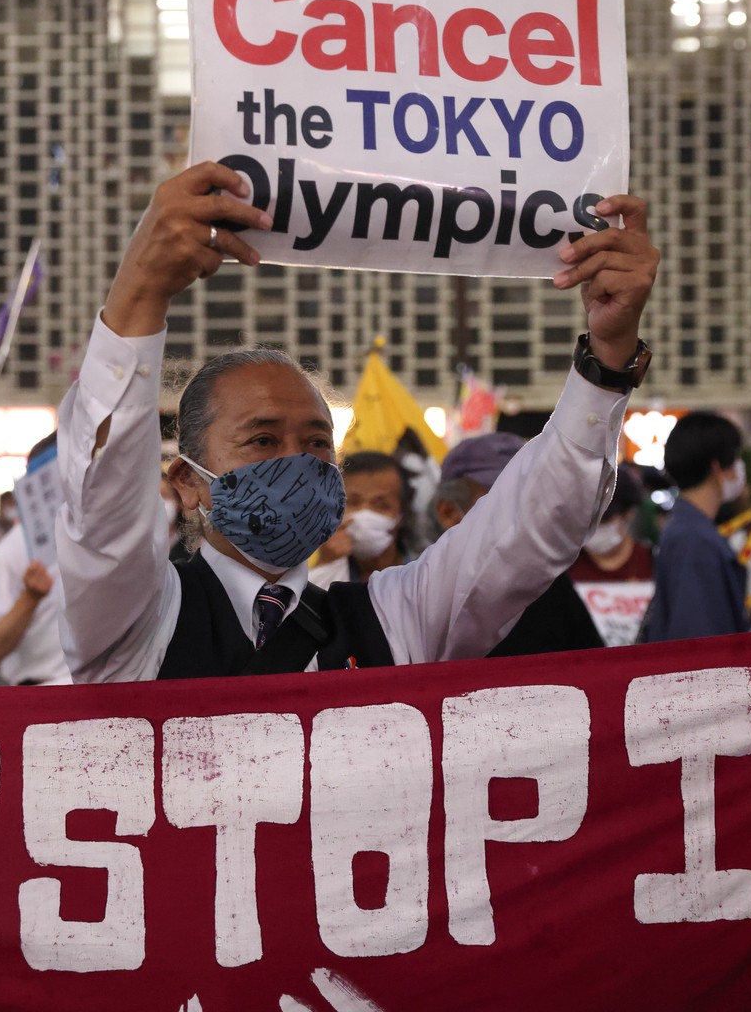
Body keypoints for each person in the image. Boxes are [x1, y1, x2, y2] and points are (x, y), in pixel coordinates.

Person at [55, 162, 659, 682]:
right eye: (262, 439)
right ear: (187, 481)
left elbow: (527, 528)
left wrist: (607, 363)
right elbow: (104, 501)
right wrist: (141, 290)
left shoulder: (393, 622)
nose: (297, 462)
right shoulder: (136, 621)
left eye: (318, 442)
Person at [432, 432, 606, 658]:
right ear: (448, 513)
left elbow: (596, 666)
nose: (521, 513)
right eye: (500, 501)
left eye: (528, 497)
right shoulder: (421, 595)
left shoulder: (549, 585)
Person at [643, 412, 749, 641]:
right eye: (734, 460)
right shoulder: (695, 540)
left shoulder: (687, 528)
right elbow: (699, 637)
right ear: (717, 467)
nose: (740, 470)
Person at [0, 437, 70, 686]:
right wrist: (30, 598)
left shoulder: (100, 540)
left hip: (98, 692)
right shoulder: (10, 551)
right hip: (39, 693)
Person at [309, 451, 415, 588]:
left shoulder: (423, 573)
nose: (365, 513)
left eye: (381, 505)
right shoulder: (324, 565)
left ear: (402, 514)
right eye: (353, 502)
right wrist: (326, 564)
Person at [569, 467, 654, 583]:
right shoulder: (564, 567)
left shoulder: (651, 562)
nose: (595, 528)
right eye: (588, 521)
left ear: (628, 514)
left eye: (603, 520)